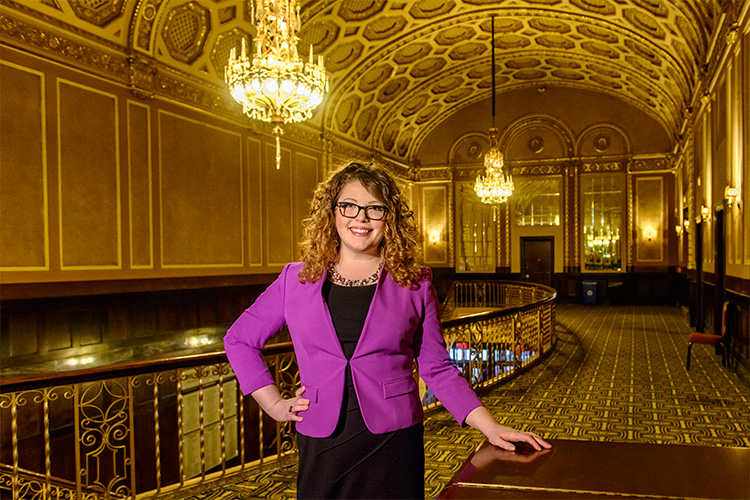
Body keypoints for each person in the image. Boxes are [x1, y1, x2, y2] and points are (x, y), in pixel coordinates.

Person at [224, 161, 550, 499]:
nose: (360, 218)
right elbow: (239, 340)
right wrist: (273, 404)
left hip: (393, 439)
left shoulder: (414, 282)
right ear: (332, 213)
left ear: (389, 218)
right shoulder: (295, 279)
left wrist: (490, 426)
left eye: (374, 209)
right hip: (322, 437)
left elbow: (437, 368)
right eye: (348, 206)